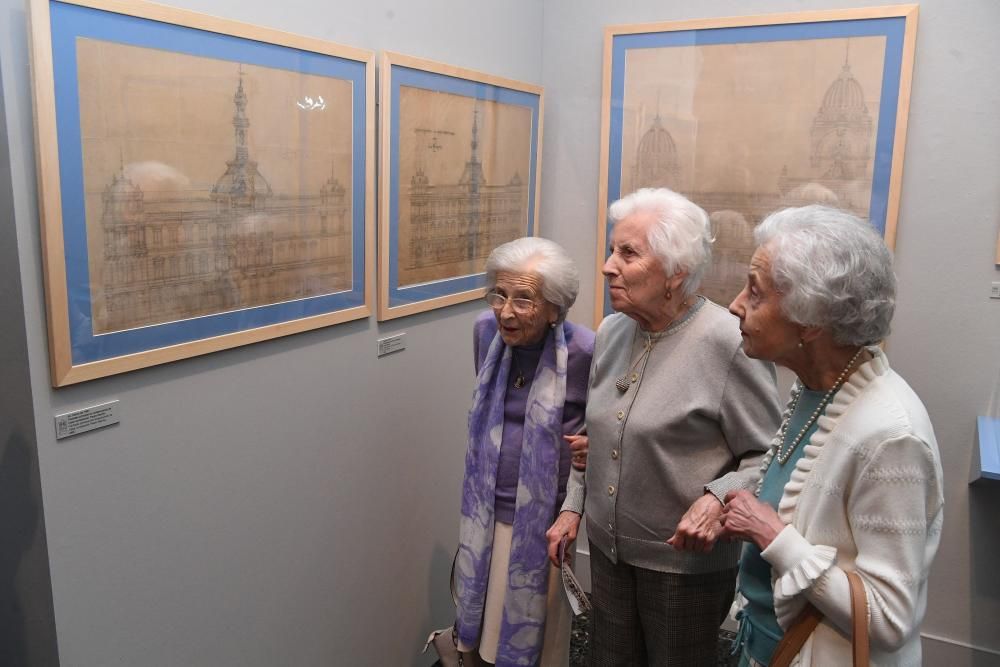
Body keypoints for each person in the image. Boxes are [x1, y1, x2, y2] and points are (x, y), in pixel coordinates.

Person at [546, 188, 782, 665]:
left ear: (675, 272)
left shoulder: (726, 342)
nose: (608, 265)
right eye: (612, 251)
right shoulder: (613, 331)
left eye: (628, 253)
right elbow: (596, 436)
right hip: (609, 553)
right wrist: (573, 506)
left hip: (683, 567)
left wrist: (717, 497)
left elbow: (770, 453)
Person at [721, 205, 944, 666]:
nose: (735, 304)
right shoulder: (817, 388)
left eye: (755, 293)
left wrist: (772, 537)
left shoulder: (891, 437)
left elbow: (886, 620)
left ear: (810, 321)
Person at [453, 237, 595, 666]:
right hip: (484, 509)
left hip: (544, 519)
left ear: (555, 307)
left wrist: (571, 508)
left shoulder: (585, 351)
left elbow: (594, 432)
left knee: (536, 634)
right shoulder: (485, 331)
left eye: (523, 299)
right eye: (499, 294)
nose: (506, 311)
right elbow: (493, 412)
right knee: (481, 624)